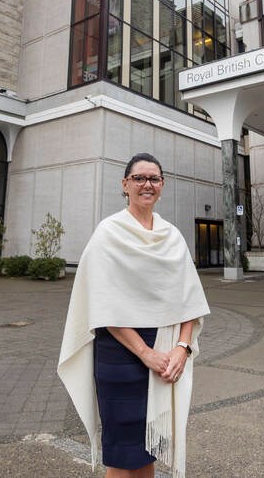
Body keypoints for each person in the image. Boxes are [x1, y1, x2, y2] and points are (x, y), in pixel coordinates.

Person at [58, 153, 210, 478]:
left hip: (166, 352)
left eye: (154, 178)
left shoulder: (172, 236)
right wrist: (145, 353)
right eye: (139, 178)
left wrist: (182, 349)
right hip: (120, 354)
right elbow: (102, 304)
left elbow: (190, 300)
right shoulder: (108, 233)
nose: (147, 184)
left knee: (148, 449)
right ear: (125, 185)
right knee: (121, 455)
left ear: (162, 185)